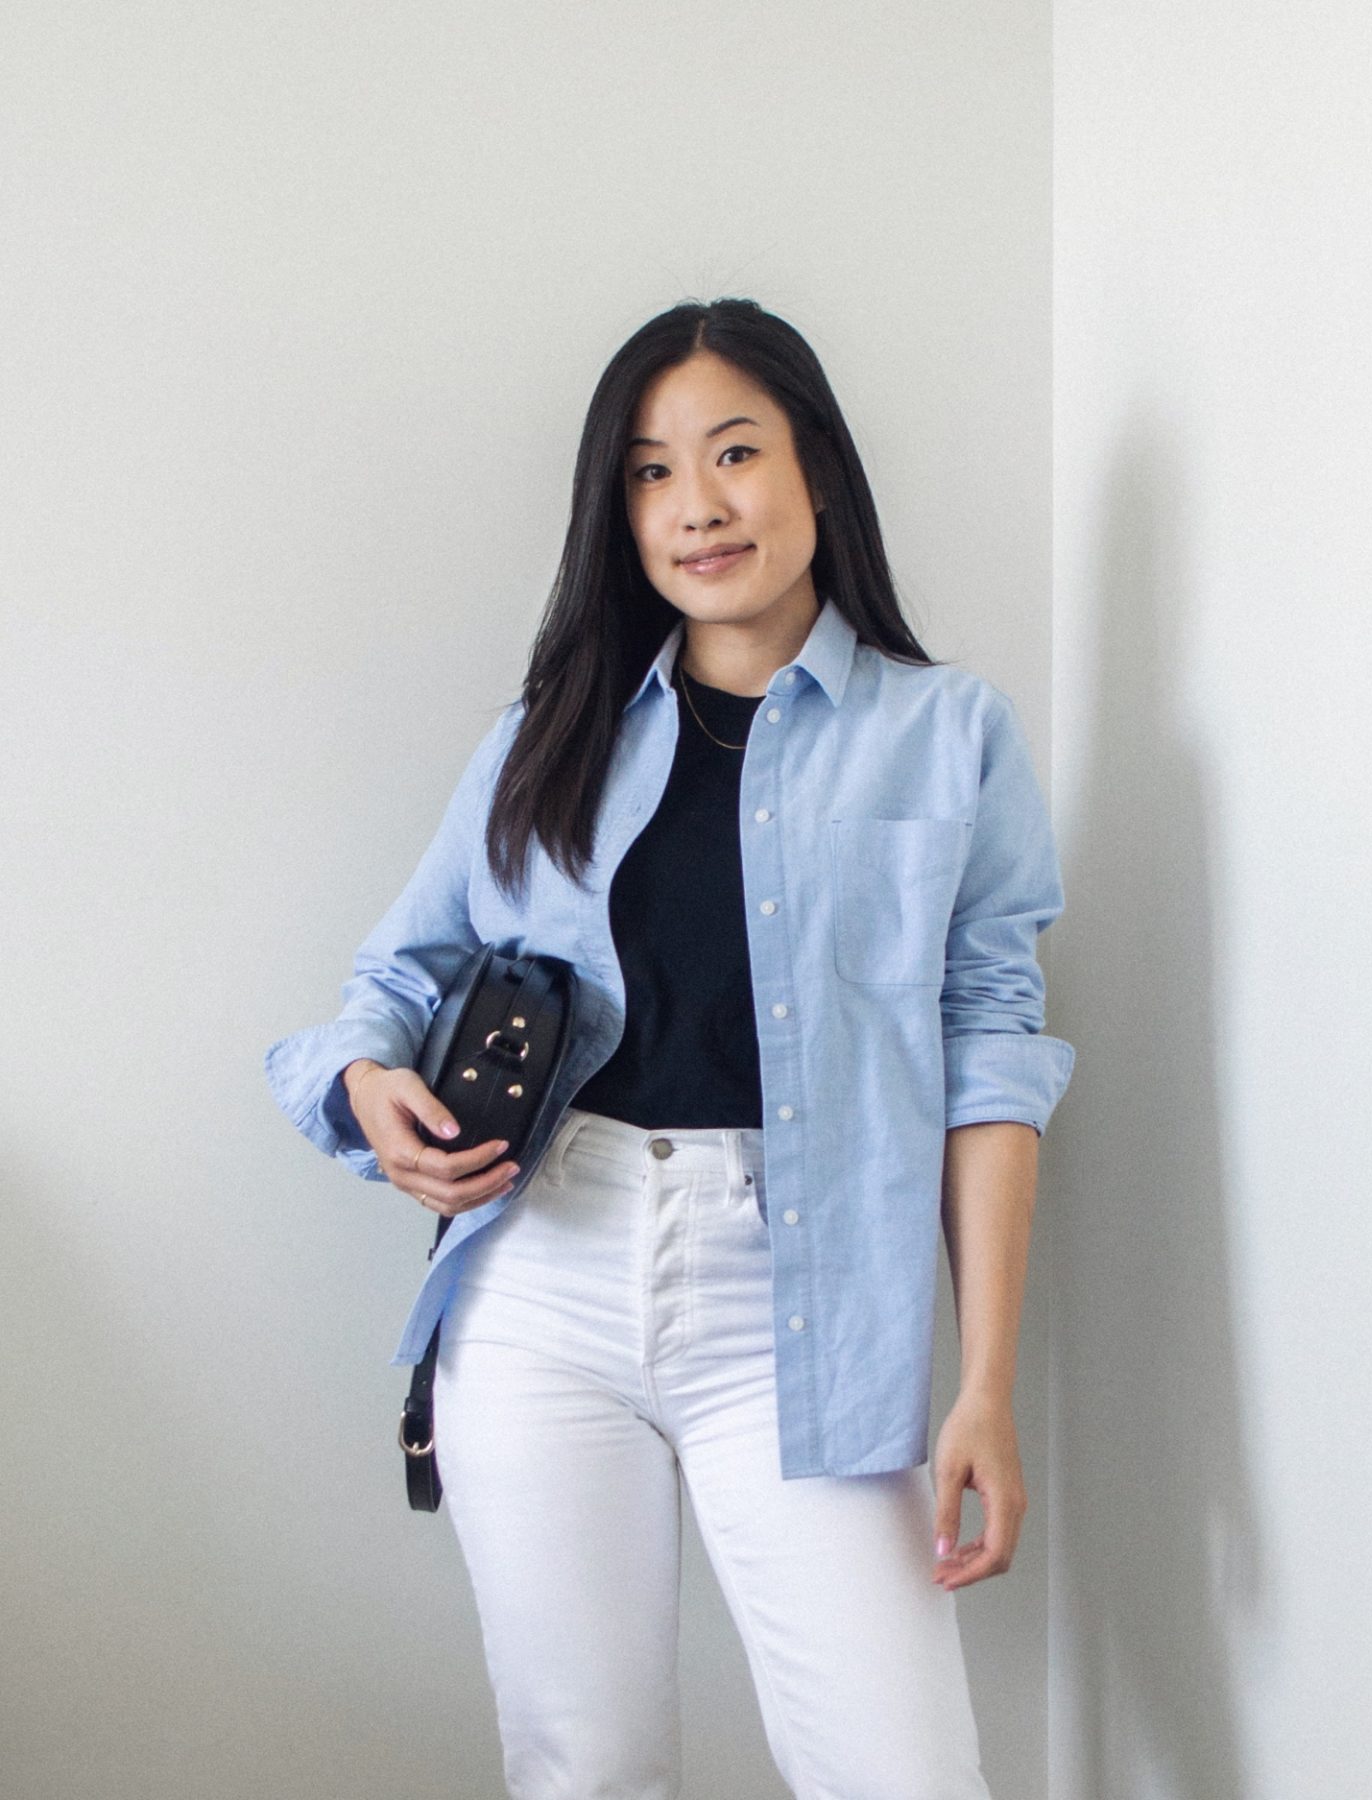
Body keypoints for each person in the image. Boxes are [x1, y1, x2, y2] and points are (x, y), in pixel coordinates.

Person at [264, 296, 1076, 1800]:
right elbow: (391, 977)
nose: (696, 505)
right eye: (648, 472)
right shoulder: (550, 736)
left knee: (903, 1770)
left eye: (734, 453)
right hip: (539, 1281)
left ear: (815, 471)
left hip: (809, 1296)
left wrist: (983, 1382)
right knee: (586, 1765)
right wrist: (362, 1082)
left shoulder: (947, 735)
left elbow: (993, 1062)